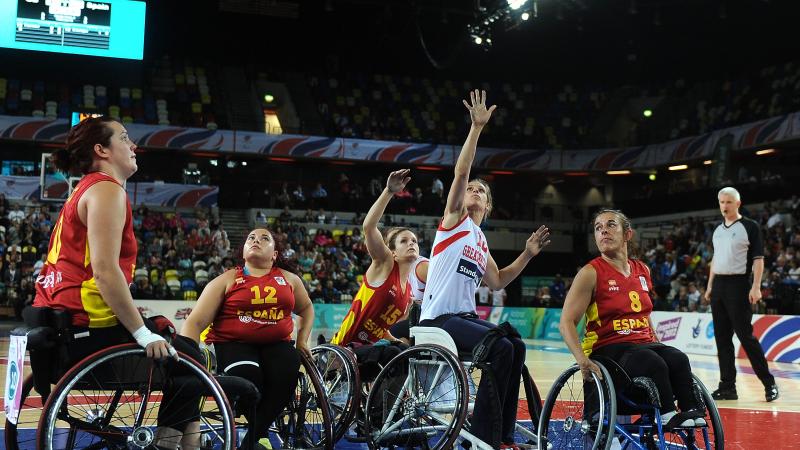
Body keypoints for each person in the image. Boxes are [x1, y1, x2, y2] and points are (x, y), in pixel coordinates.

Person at [418, 90, 551, 449]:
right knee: (501, 348)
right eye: (472, 188)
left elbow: (497, 280)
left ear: (488, 206)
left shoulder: (480, 240)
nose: (474, 190)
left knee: (516, 345)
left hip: (464, 317)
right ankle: (483, 434)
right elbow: (461, 171)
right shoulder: (453, 221)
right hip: (438, 320)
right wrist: (476, 128)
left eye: (482, 191)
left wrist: (526, 254)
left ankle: (503, 436)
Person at [33, 116, 175, 364]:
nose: (134, 146)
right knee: (190, 357)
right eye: (124, 138)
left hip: (58, 315)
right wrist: (142, 333)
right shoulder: (106, 190)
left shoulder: (84, 189)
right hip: (88, 321)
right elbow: (105, 271)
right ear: (101, 150)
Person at [559, 209, 706, 429]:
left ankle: (691, 412)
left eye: (610, 225)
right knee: (652, 361)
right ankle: (667, 415)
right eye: (598, 228)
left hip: (642, 344)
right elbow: (566, 322)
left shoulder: (643, 270)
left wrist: (656, 342)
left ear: (628, 234)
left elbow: (644, 316)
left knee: (677, 358)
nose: (603, 231)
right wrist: (582, 360)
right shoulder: (591, 272)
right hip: (609, 348)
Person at [178, 227, 315, 449]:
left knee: (287, 372)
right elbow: (194, 322)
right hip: (234, 344)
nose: (256, 240)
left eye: (264, 238)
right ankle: (258, 438)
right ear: (243, 252)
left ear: (275, 255)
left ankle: (252, 439)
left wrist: (302, 340)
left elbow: (307, 308)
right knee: (248, 379)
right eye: (251, 238)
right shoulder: (227, 279)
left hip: (276, 344)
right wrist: (190, 358)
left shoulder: (289, 279)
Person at [331, 170, 419, 372]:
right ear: (393, 252)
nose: (411, 243)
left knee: (403, 353)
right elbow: (369, 227)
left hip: (369, 351)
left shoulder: (408, 295)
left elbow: (381, 329)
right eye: (404, 241)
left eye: (414, 240)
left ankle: (386, 404)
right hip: (344, 348)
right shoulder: (385, 264)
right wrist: (389, 191)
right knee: (393, 355)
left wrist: (397, 341)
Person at [705, 187, 778, 401]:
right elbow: (715, 260)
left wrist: (756, 286)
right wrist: (710, 286)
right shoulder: (718, 230)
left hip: (738, 285)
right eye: (721, 202)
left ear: (738, 203)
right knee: (722, 339)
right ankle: (727, 386)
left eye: (728, 202)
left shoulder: (750, 227)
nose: (724, 206)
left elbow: (758, 259)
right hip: (719, 285)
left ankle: (769, 383)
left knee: (746, 337)